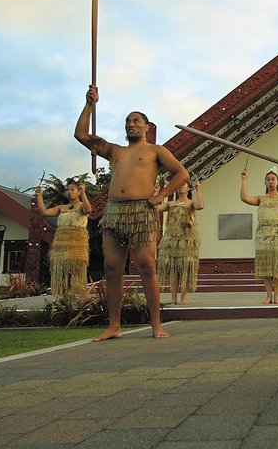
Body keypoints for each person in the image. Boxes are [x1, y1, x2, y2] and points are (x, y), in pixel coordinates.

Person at [74, 85, 189, 341]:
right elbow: (81, 134)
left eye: (136, 121)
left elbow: (182, 174)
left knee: (147, 266)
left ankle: (156, 324)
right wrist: (89, 104)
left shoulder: (156, 151)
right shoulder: (115, 150)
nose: (131, 124)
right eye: (127, 121)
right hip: (115, 211)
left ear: (146, 127)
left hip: (142, 210)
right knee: (112, 268)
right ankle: (114, 325)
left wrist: (160, 195)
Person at [241, 167, 278, 304]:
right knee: (265, 266)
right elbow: (244, 198)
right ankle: (268, 295)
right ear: (265, 183)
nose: (271, 182)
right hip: (264, 235)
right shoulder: (260, 199)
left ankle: (277, 295)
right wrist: (244, 180)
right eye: (268, 180)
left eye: (273, 179)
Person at [35, 181, 92, 301]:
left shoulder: (81, 206)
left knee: (76, 272)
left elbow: (88, 210)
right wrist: (39, 197)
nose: (69, 192)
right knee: (62, 272)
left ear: (78, 192)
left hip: (77, 244)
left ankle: (78, 299)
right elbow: (44, 212)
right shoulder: (62, 208)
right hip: (61, 244)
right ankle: (65, 299)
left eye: (72, 190)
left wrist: (84, 194)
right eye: (68, 190)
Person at [156, 179, 204, 305]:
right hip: (172, 240)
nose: (181, 187)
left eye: (184, 185)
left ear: (188, 189)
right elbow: (156, 208)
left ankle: (183, 297)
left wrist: (198, 190)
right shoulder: (171, 204)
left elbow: (200, 206)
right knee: (173, 269)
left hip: (187, 240)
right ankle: (173, 297)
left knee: (185, 269)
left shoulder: (191, 203)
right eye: (179, 185)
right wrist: (156, 193)